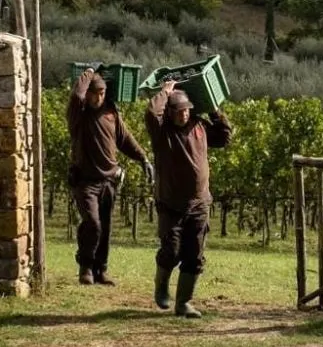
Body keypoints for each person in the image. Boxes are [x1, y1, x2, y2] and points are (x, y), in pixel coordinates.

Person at [144, 80, 232, 318]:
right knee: (171, 251)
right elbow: (152, 113)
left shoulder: (200, 126)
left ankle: (184, 302)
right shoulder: (163, 133)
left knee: (194, 255)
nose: (183, 115)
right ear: (170, 112)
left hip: (199, 203)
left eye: (186, 110)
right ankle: (161, 287)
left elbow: (224, 137)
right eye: (178, 111)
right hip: (170, 203)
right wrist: (166, 91)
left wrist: (214, 109)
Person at [67, 67, 153, 286]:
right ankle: (85, 266)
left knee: (104, 227)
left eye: (102, 93)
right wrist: (88, 72)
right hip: (85, 180)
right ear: (88, 93)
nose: (98, 97)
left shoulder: (111, 114)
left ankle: (100, 270)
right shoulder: (79, 115)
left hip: (109, 180)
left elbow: (125, 140)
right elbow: (76, 95)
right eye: (94, 92)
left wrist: (143, 159)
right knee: (93, 223)